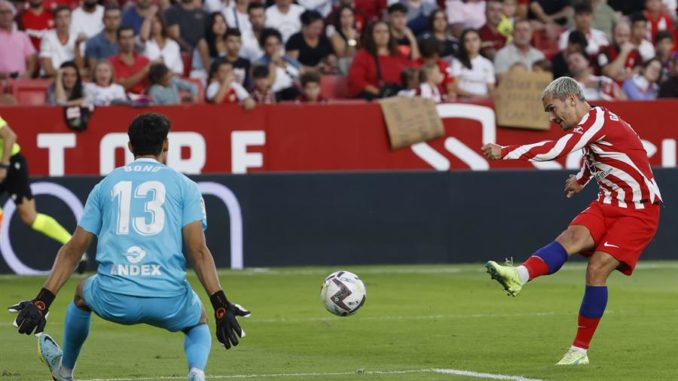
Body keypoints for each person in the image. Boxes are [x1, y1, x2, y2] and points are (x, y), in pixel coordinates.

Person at [9, 113, 251, 381]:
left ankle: (64, 371)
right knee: (199, 322)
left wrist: (42, 302)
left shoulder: (106, 185)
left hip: (114, 297)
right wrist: (220, 304)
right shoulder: (186, 187)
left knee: (81, 295)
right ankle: (196, 372)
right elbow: (197, 251)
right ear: (166, 145)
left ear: (130, 146)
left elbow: (73, 249)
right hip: (168, 298)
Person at [481, 76, 662, 366]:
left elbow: (558, 149)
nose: (552, 117)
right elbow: (598, 156)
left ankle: (579, 351)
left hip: (639, 210)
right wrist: (580, 180)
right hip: (607, 203)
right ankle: (519, 276)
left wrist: (506, 151)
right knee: (569, 238)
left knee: (596, 268)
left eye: (553, 109)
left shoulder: (596, 120)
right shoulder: (593, 125)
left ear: (572, 100)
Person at [0, 115, 86, 271]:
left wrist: (4, 165)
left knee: (30, 217)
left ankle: (75, 249)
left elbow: (10, 136)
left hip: (11, 164)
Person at [347, 20, 411, 99]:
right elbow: (356, 79)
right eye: (378, 32)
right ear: (371, 35)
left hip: (398, 95)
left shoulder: (398, 54)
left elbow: (411, 70)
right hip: (373, 98)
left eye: (385, 32)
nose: (382, 35)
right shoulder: (363, 55)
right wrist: (378, 92)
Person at [255, 28, 301, 101]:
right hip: (275, 98)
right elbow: (268, 85)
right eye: (270, 45)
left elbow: (302, 75)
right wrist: (272, 63)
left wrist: (283, 64)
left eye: (277, 44)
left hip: (295, 95)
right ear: (263, 47)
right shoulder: (259, 64)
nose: (275, 48)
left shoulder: (289, 60)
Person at [39, 6, 85, 78]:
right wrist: (67, 75)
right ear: (54, 20)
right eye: (59, 17)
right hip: (50, 79)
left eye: (66, 17)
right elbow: (48, 70)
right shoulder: (47, 37)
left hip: (71, 80)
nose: (63, 21)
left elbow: (80, 66)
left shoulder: (76, 36)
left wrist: (77, 45)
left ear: (71, 19)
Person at [449, 28, 495, 99]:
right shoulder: (457, 62)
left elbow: (491, 88)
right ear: (463, 44)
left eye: (474, 39)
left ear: (480, 42)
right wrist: (473, 96)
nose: (471, 43)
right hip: (464, 99)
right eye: (467, 41)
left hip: (484, 99)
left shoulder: (487, 63)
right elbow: (453, 87)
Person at [110, 26, 152, 96]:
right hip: (121, 101)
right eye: (124, 38)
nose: (127, 41)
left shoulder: (145, 61)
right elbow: (119, 88)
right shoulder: (111, 62)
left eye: (130, 37)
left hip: (144, 101)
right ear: (117, 40)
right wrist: (144, 71)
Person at [0, 0, 37, 79]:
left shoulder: (22, 36)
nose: (5, 16)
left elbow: (31, 59)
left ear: (13, 15)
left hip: (20, 81)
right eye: (1, 13)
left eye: (8, 12)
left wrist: (28, 74)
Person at [328, 5, 361, 74]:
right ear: (339, 19)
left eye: (350, 16)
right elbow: (347, 56)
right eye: (343, 17)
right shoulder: (334, 35)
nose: (347, 20)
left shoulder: (359, 34)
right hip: (343, 68)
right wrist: (351, 38)